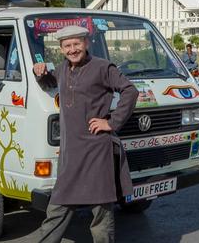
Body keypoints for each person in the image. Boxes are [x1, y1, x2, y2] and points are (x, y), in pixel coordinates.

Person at [33, 25, 138, 243]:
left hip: (96, 152)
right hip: (71, 155)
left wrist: (112, 122)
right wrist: (40, 74)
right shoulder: (63, 68)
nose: (72, 49)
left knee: (101, 217)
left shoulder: (103, 67)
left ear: (86, 43)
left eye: (76, 44)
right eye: (67, 46)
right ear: (61, 49)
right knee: (56, 211)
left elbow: (130, 90)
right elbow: (51, 84)